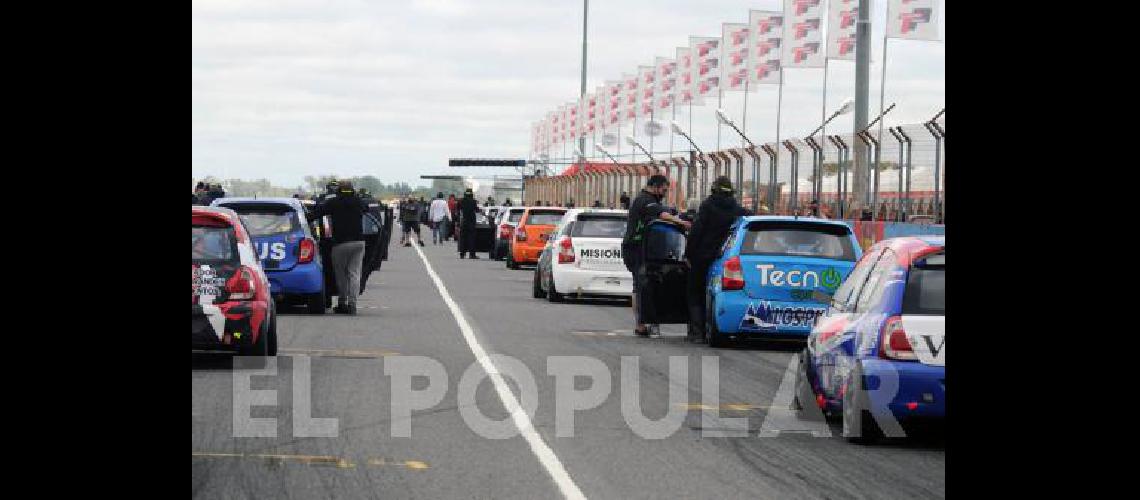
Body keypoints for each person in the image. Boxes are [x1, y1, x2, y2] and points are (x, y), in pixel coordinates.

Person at [684, 176, 753, 343]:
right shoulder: (739, 211)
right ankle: (712, 328)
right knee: (718, 293)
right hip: (725, 257)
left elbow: (696, 232)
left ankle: (696, 332)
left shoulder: (707, 206)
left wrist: (688, 254)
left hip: (702, 256)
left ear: (714, 189)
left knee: (695, 292)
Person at [622, 175, 691, 337]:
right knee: (639, 286)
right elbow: (662, 216)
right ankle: (640, 324)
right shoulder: (645, 200)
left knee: (639, 285)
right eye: (664, 190)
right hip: (635, 248)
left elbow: (663, 213)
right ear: (655, 186)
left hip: (640, 248)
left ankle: (642, 323)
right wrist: (682, 223)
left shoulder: (649, 200)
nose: (665, 193)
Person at [309, 180, 369, 315]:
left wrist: (302, 219)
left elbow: (315, 214)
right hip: (359, 242)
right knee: (354, 273)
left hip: (340, 244)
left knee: (341, 274)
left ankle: (342, 303)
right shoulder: (358, 201)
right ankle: (352, 304)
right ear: (352, 189)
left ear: (338, 190)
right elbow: (367, 209)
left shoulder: (333, 202)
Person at [458, 188, 480, 259]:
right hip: (471, 222)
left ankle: (462, 253)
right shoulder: (473, 201)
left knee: (463, 238)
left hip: (464, 221)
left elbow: (458, 208)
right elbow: (477, 210)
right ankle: (472, 254)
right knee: (471, 239)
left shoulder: (461, 201)